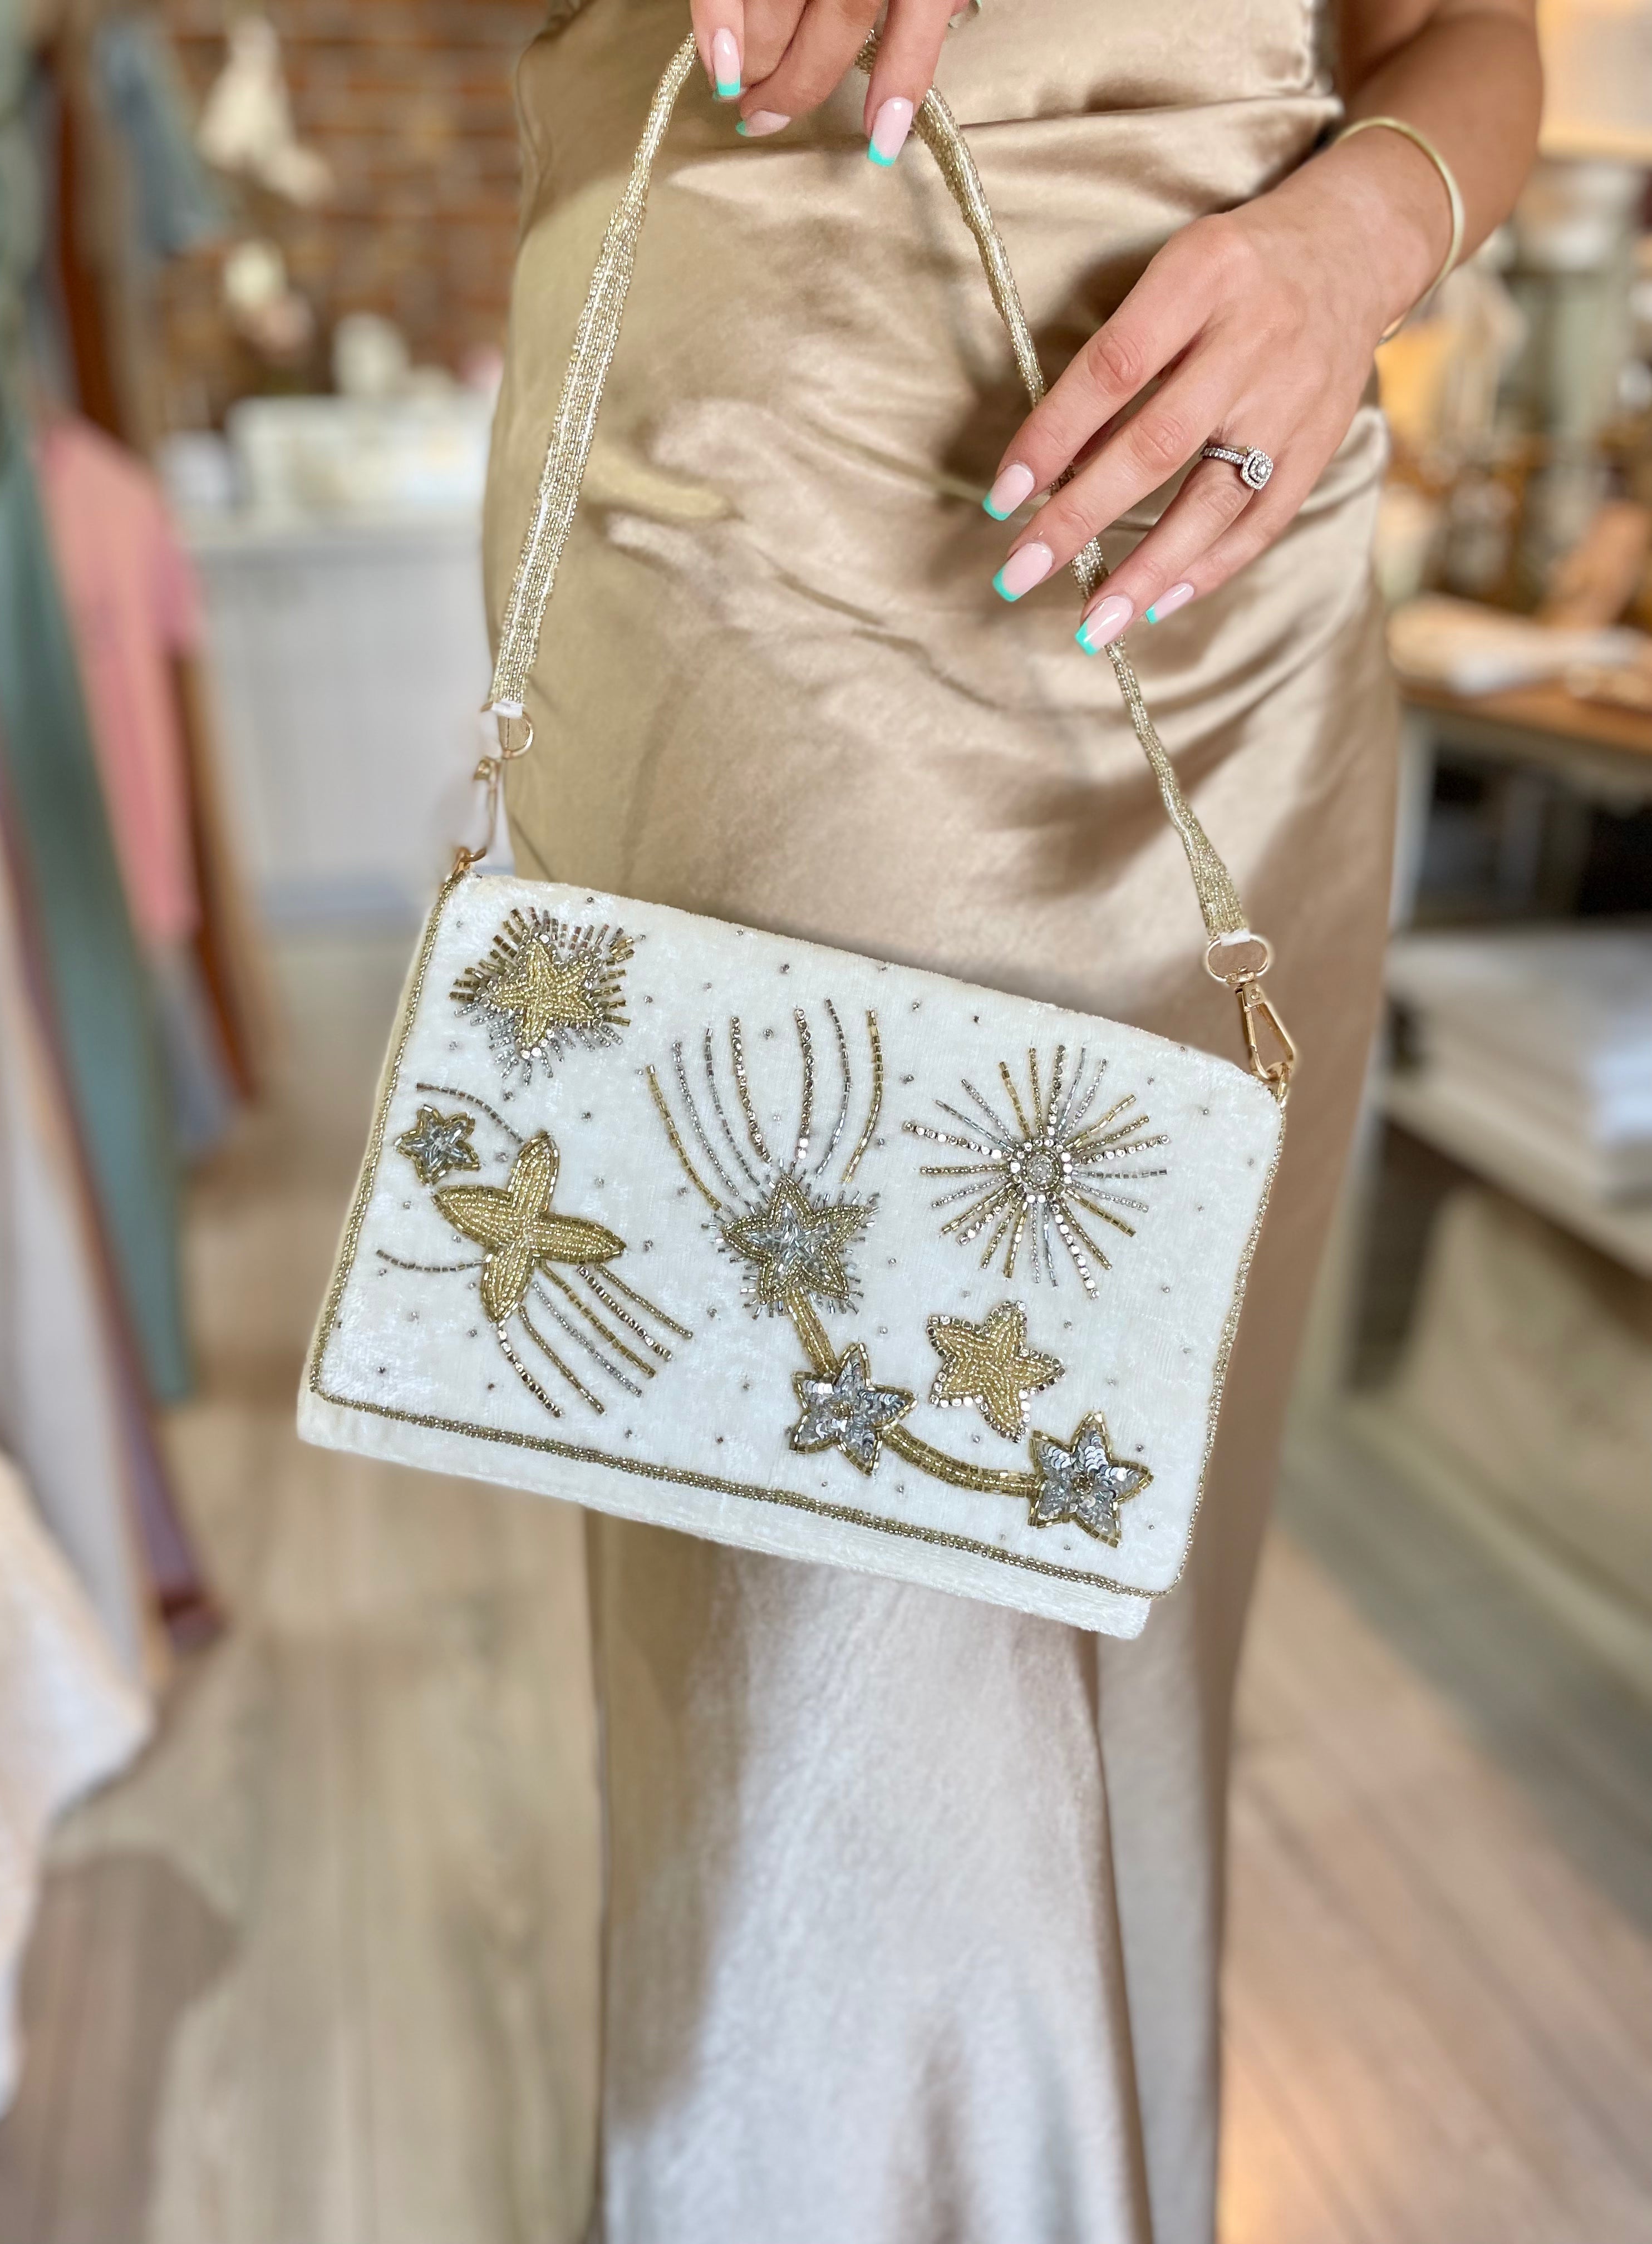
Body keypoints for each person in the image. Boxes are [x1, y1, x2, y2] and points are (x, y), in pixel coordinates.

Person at [483, 1, 1542, 2234]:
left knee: (1141, 1597)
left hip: (1232, 548)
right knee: (831, 1662)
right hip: (774, 485)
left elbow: (1470, 36)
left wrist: (1358, 240)